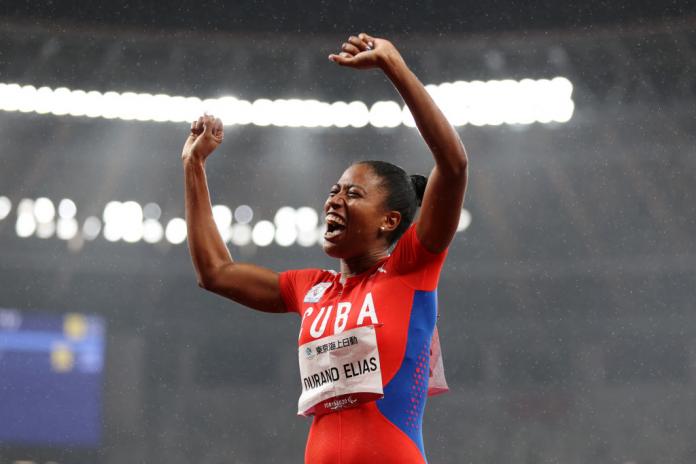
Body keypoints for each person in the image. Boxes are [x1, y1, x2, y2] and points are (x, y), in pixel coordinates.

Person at [181, 32, 468, 464]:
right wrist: (194, 166)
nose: (333, 200)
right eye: (333, 191)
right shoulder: (312, 288)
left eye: (353, 194)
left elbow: (454, 165)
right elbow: (215, 272)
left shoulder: (410, 268)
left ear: (390, 221)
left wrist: (395, 69)